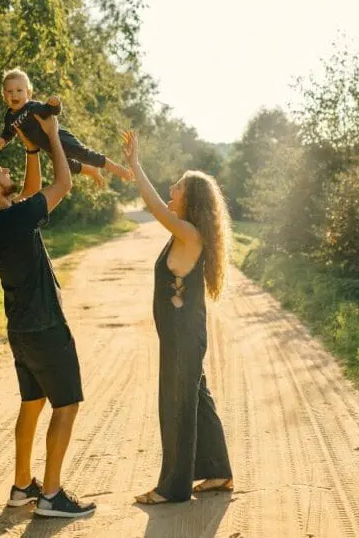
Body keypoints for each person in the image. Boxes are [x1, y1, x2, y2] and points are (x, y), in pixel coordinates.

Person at [0, 112, 96, 518]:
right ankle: (50, 495)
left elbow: (28, 191)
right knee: (66, 405)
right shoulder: (15, 218)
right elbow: (62, 184)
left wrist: (32, 150)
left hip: (21, 330)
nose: (6, 167)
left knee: (32, 402)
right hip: (46, 326)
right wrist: (51, 137)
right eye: (1, 168)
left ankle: (21, 487)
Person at [121, 130, 234, 504]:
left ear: (192, 199)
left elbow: (153, 206)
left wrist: (135, 164)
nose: (172, 188)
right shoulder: (185, 231)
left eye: (179, 186)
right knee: (196, 397)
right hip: (183, 332)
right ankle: (218, 472)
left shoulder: (187, 232)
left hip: (183, 335)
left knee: (176, 403)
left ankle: (172, 487)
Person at [0, 67, 132, 187]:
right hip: (49, 147)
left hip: (61, 138)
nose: (14, 95)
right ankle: (91, 171)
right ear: (3, 95)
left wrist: (55, 104)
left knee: (84, 155)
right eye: (9, 92)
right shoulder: (9, 117)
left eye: (19, 90)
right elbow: (9, 132)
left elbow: (52, 111)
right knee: (67, 167)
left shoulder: (33, 107)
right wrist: (3, 140)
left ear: (28, 93)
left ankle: (119, 170)